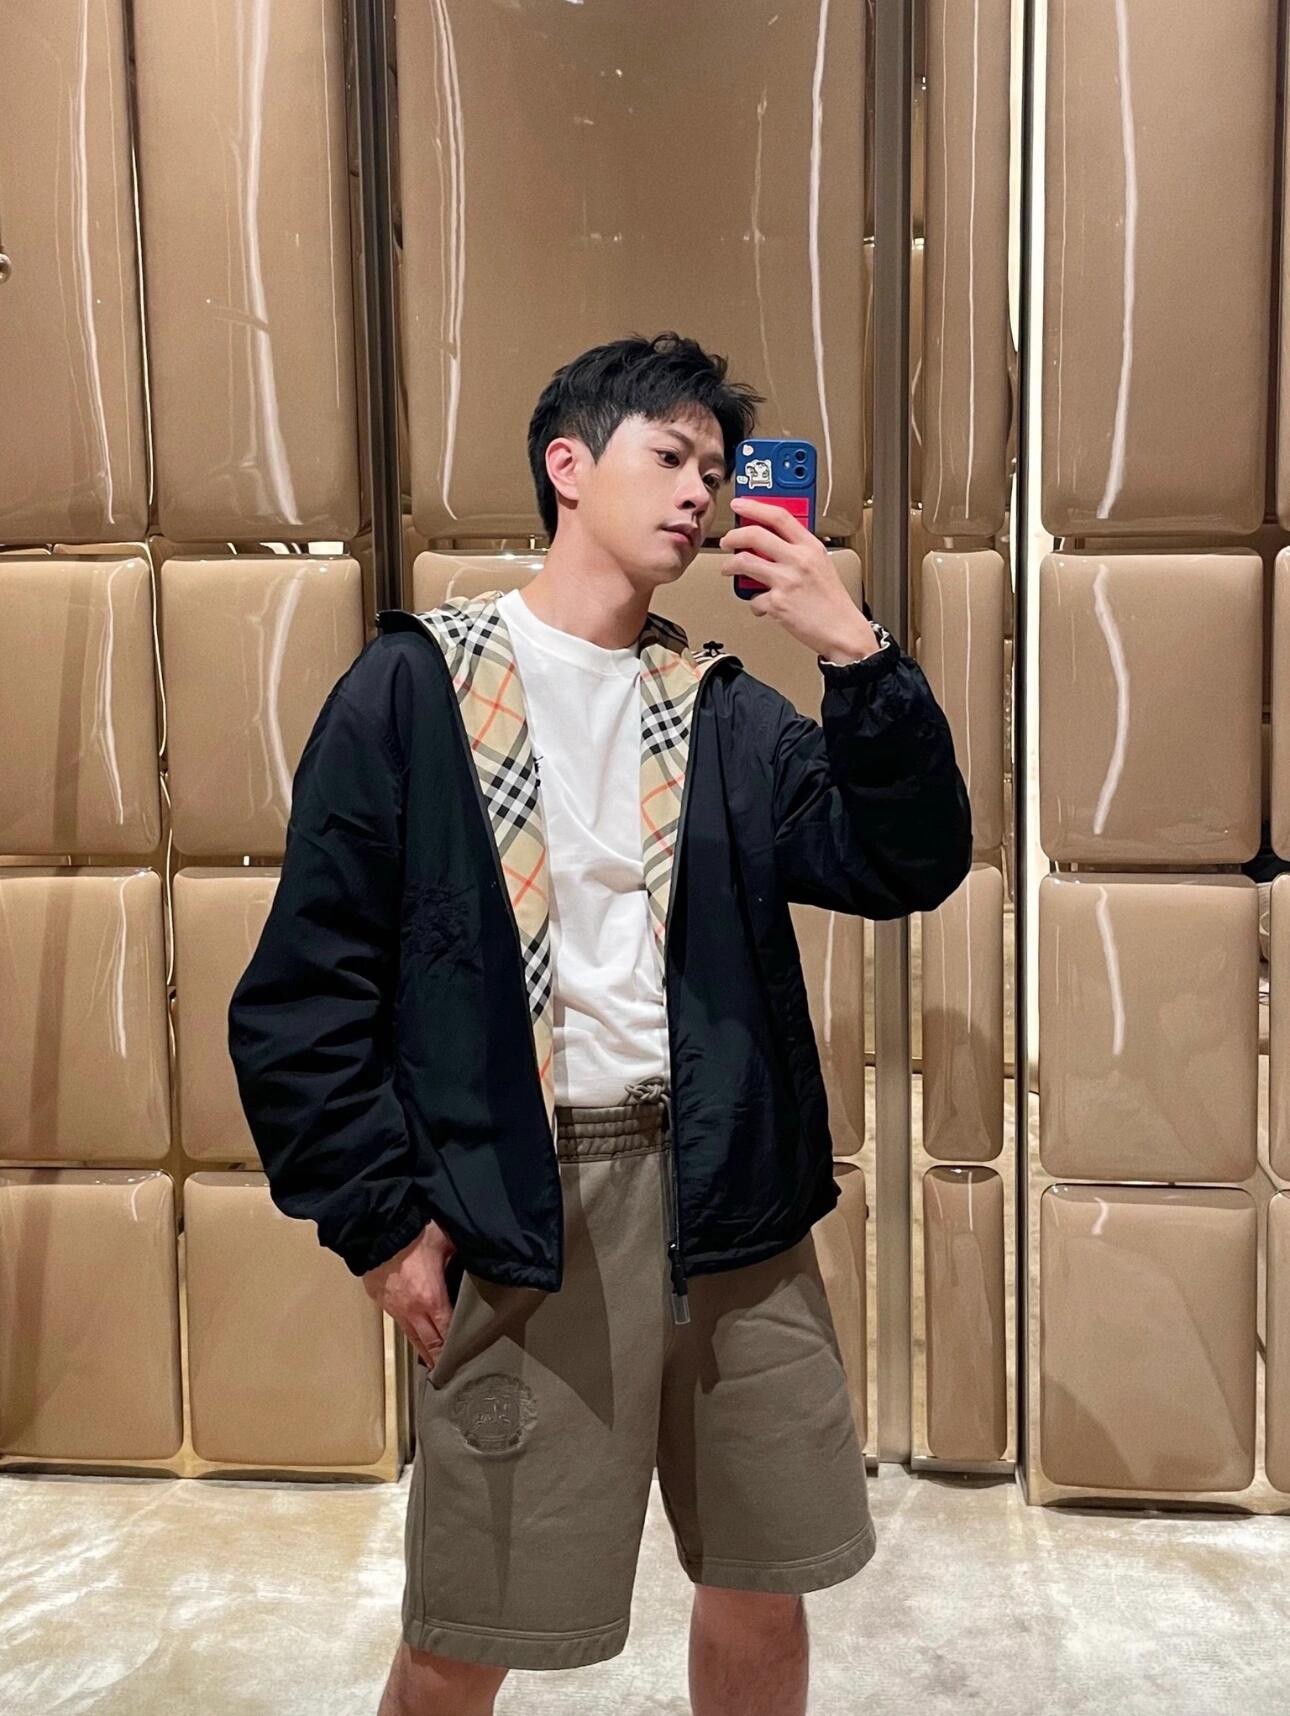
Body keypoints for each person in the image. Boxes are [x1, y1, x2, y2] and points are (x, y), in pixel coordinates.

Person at [227, 331, 972, 1716]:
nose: (700, 491)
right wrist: (379, 1223)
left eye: (717, 469)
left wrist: (855, 653)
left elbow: (904, 863)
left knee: (763, 1575)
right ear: (567, 465)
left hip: (735, 1201)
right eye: (670, 455)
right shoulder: (420, 685)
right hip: (533, 1204)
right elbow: (303, 992)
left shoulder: (719, 708)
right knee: (474, 1618)